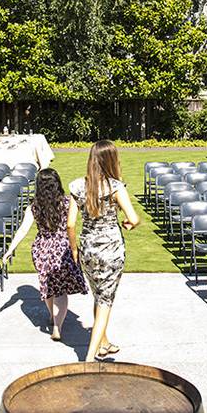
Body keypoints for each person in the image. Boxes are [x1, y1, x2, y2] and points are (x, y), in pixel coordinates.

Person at [67, 140, 141, 362]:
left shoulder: (77, 186)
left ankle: (104, 343)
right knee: (105, 300)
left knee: (99, 295)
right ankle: (90, 356)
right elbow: (134, 218)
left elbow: (71, 224)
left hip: (88, 249)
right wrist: (129, 225)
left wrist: (73, 250)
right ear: (111, 160)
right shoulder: (115, 187)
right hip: (111, 251)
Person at [4, 168, 87, 342]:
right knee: (61, 290)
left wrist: (10, 250)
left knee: (48, 287)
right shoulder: (68, 202)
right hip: (62, 249)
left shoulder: (34, 207)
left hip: (42, 249)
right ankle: (57, 326)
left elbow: (23, 230)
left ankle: (52, 316)